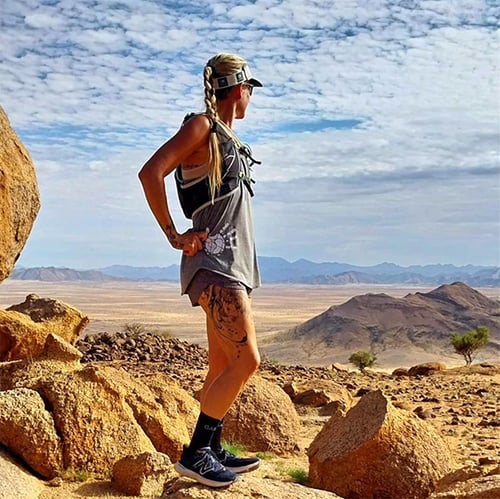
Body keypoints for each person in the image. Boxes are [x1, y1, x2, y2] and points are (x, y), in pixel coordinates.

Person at [138, 53, 263, 488]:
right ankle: (195, 454)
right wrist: (175, 235)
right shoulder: (202, 126)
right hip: (215, 266)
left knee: (221, 364)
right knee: (248, 360)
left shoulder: (224, 134)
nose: (251, 97)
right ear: (238, 89)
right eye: (250, 89)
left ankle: (211, 448)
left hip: (229, 265)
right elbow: (150, 172)